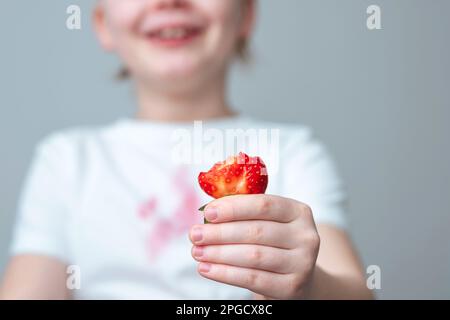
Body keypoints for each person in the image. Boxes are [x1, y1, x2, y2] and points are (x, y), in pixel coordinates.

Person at [0, 0, 372, 299]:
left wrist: (308, 289)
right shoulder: (66, 160)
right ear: (102, 24)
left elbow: (354, 291)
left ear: (247, 14)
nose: (169, 1)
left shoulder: (294, 152)